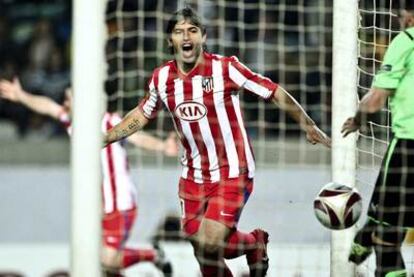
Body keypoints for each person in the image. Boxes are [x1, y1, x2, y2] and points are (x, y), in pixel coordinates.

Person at [104, 7, 331, 277]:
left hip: (233, 169)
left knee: (211, 242)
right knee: (203, 253)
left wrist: (308, 124)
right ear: (170, 40)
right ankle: (253, 244)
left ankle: (254, 242)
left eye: (192, 30)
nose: (186, 37)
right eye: (179, 32)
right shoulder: (162, 78)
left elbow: (273, 91)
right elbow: (142, 114)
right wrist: (106, 137)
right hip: (193, 175)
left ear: (203, 36)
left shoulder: (226, 68)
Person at [0, 78, 178, 277]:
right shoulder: (72, 123)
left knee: (106, 259)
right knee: (103, 266)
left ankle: (152, 254)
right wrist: (21, 96)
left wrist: (162, 146)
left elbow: (137, 137)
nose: (65, 103)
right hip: (99, 208)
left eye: (70, 98)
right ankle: (150, 257)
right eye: (66, 99)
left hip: (121, 202)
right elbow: (48, 106)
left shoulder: (108, 121)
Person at [341, 7, 414, 277]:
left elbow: (374, 100)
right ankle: (365, 235)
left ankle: (366, 237)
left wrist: (359, 118)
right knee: (392, 216)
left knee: (387, 241)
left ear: (409, 17)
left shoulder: (405, 40)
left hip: (409, 146)